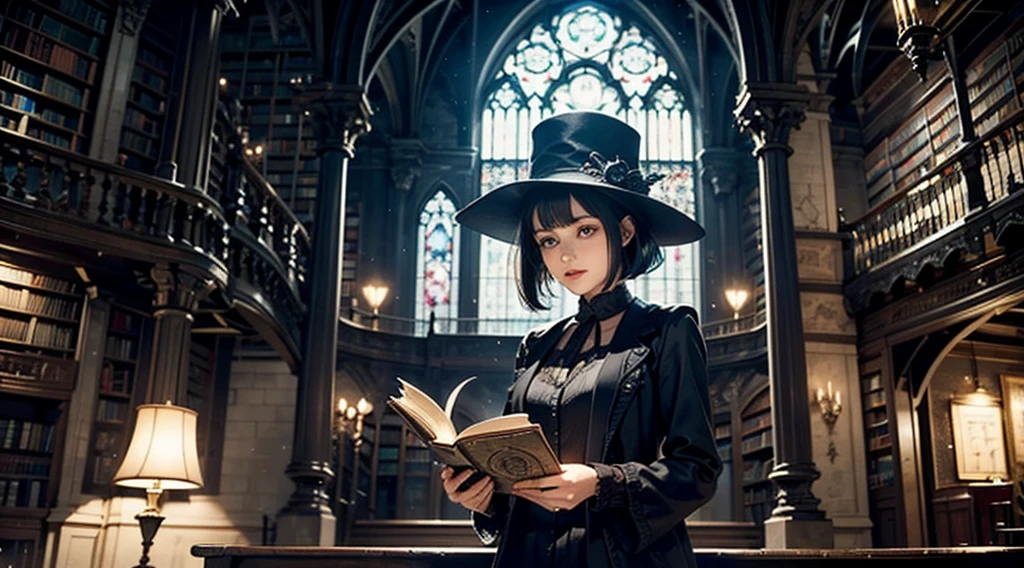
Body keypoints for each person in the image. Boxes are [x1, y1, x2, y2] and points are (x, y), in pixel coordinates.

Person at [443, 111, 722, 568]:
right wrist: (485, 497)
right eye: (548, 239)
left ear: (625, 231)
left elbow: (699, 470)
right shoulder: (538, 346)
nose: (565, 254)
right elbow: (523, 480)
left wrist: (601, 481)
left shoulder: (667, 331)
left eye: (585, 230)